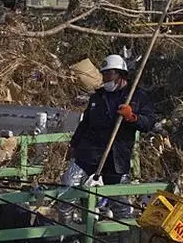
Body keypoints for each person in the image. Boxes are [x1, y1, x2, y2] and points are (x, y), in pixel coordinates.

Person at [61, 54, 156, 219]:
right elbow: (85, 125)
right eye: (103, 74)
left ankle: (123, 242)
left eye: (108, 74)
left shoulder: (136, 96)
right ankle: (64, 235)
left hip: (117, 157)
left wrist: (132, 117)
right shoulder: (97, 97)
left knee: (120, 204)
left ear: (120, 75)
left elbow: (148, 123)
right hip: (89, 153)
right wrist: (74, 145)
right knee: (68, 190)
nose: (104, 78)